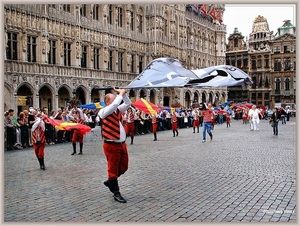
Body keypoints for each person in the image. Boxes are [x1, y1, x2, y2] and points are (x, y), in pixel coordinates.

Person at [98, 87, 131, 203]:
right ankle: (116, 193)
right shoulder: (103, 111)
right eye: (113, 99)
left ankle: (110, 181)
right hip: (111, 144)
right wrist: (120, 95)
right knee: (112, 168)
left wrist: (123, 93)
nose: (117, 100)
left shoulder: (118, 110)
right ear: (107, 102)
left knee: (124, 167)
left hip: (122, 144)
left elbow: (128, 103)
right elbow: (114, 105)